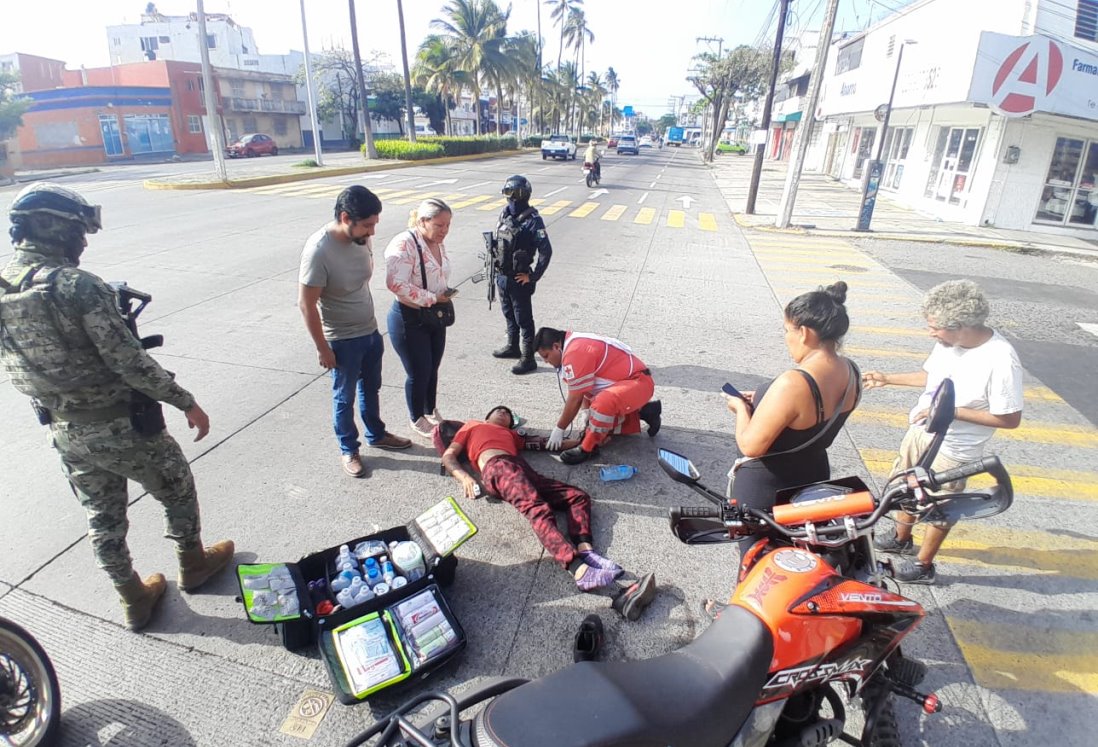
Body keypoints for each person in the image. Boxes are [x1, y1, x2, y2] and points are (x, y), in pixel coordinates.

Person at [0, 183, 234, 631]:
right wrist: (187, 402)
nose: (83, 241)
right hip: (122, 425)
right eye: (77, 231)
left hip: (63, 428)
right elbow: (129, 362)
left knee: (101, 517)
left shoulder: (6, 284)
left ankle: (133, 599)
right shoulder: (75, 286)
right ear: (53, 227)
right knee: (177, 486)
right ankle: (194, 564)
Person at [866, 280, 1023, 585]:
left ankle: (924, 566)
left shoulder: (1001, 359)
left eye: (935, 327)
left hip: (954, 449)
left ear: (961, 326)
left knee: (939, 507)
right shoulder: (948, 343)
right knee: (904, 486)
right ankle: (901, 537)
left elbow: (1010, 418)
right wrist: (888, 378)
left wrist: (950, 413)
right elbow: (930, 376)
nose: (931, 333)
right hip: (921, 431)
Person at [441, 406, 655, 609]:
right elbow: (448, 455)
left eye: (507, 413)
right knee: (537, 509)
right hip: (498, 467)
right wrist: (464, 478)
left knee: (577, 497)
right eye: (498, 410)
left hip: (522, 470)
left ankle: (586, 551)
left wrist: (587, 441)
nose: (502, 412)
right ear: (487, 417)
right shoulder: (471, 425)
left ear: (511, 423)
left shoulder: (513, 436)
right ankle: (578, 570)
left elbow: (547, 444)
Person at [299, 185, 411, 479]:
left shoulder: (361, 240)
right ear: (346, 217)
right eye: (367, 225)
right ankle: (349, 448)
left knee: (371, 388)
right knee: (344, 397)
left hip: (370, 332)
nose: (372, 232)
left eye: (374, 224)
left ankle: (377, 433)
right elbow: (306, 305)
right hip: (342, 339)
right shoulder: (319, 250)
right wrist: (322, 348)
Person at [724, 282, 861, 512]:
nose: (786, 337)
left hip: (769, 490)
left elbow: (750, 446)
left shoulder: (793, 383)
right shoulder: (852, 372)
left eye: (787, 330)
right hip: (813, 480)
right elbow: (806, 417)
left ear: (804, 333)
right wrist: (764, 399)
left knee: (762, 548)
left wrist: (740, 408)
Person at [534, 327, 662, 465]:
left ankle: (588, 448)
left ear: (556, 346)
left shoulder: (574, 352)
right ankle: (645, 411)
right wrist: (586, 413)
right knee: (598, 421)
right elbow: (584, 387)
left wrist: (560, 428)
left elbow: (576, 397)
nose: (546, 362)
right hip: (631, 383)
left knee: (602, 405)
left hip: (638, 382)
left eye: (546, 356)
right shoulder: (573, 344)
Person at [385, 198, 456, 439]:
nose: (444, 231)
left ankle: (429, 408)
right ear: (423, 221)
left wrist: (441, 295)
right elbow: (395, 283)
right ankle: (417, 417)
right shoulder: (405, 243)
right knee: (419, 370)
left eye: (447, 225)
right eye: (439, 225)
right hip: (410, 318)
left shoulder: (437, 242)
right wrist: (432, 297)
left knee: (433, 366)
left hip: (434, 315)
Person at [489, 175, 552, 375]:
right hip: (502, 276)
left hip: (519, 279)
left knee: (523, 319)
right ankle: (513, 346)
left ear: (523, 195)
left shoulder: (533, 220)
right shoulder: (504, 214)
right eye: (508, 193)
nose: (511, 198)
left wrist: (532, 277)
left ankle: (527, 357)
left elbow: (546, 251)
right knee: (508, 314)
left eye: (515, 193)